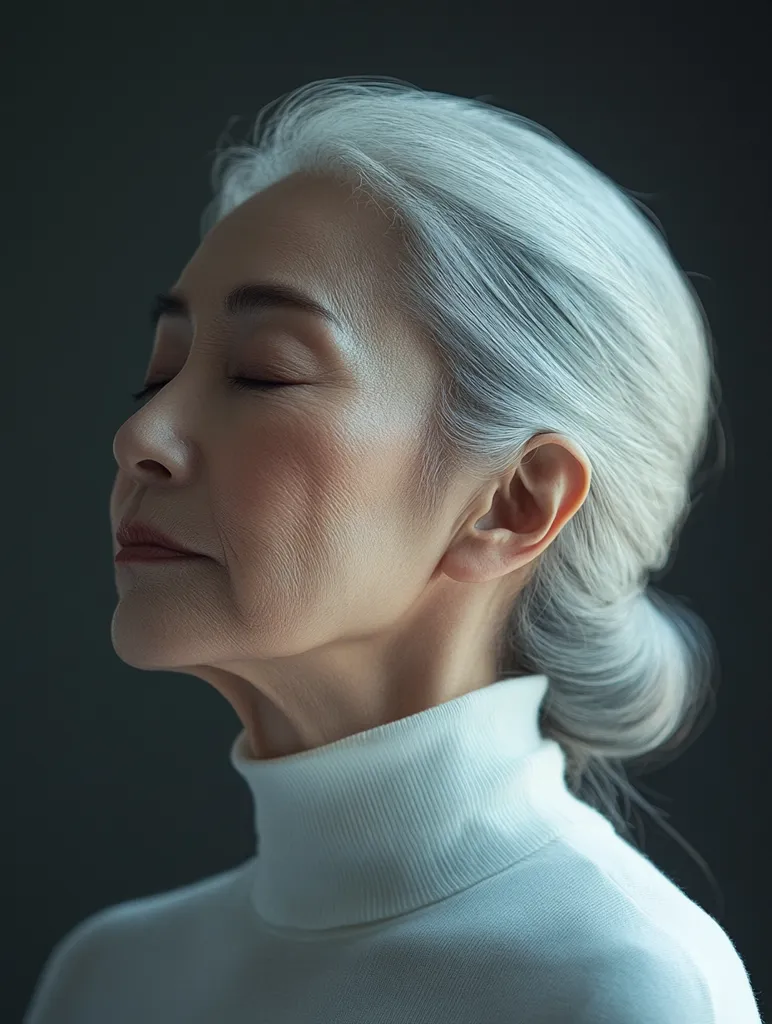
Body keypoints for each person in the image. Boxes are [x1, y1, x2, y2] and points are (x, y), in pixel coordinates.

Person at [25, 75, 763, 1023]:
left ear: (516, 501)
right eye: (159, 373)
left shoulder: (623, 989)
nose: (142, 437)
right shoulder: (105, 980)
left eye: (263, 372)